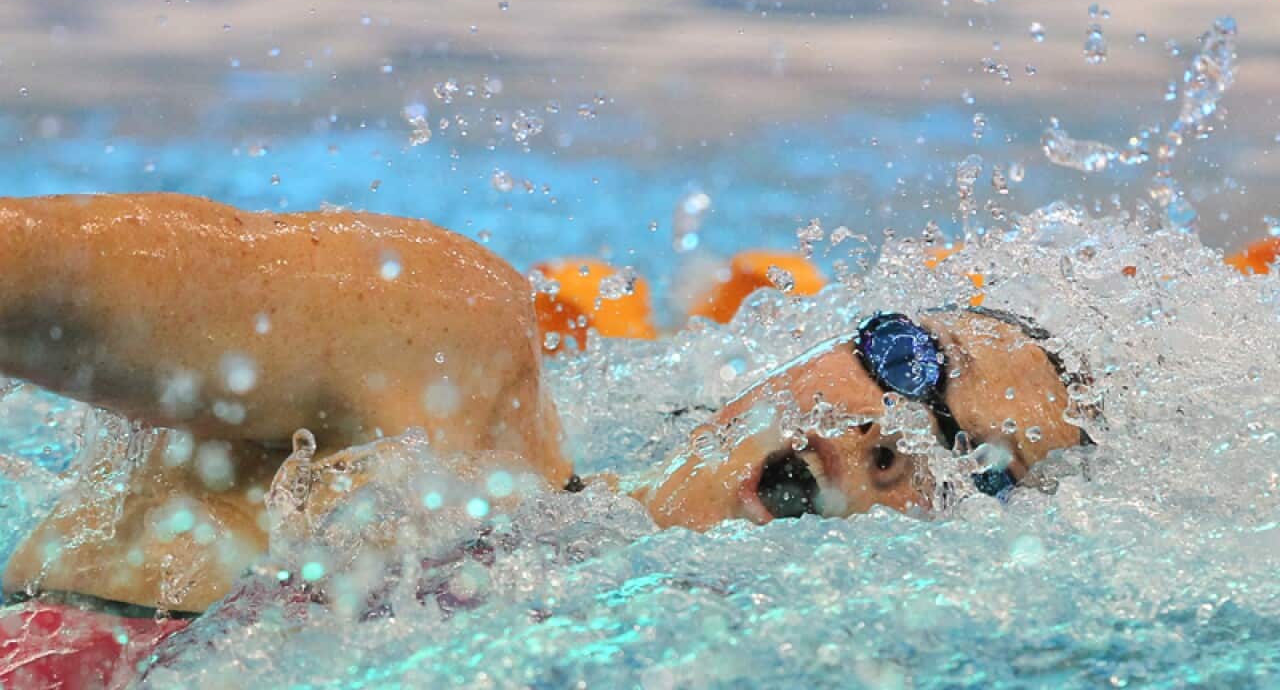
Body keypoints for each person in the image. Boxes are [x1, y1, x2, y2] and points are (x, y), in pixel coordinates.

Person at [0, 193, 1092, 683]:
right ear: (808, 351)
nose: (890, 435)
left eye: (971, 468)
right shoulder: (442, 356)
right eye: (910, 362)